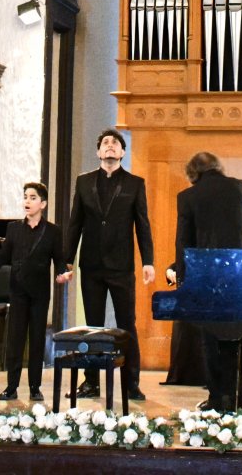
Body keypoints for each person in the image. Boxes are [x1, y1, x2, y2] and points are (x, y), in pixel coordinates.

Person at [66, 127, 154, 402]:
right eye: (105, 143)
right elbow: (74, 224)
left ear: (123, 152)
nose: (110, 147)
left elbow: (143, 226)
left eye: (116, 144)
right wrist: (68, 261)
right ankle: (90, 382)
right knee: (92, 325)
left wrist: (148, 261)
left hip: (121, 265)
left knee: (127, 324)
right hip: (91, 265)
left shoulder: (135, 183)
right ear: (98, 152)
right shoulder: (83, 182)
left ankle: (131, 384)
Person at [164, 152, 242, 411]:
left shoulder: (187, 197)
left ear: (192, 173)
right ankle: (235, 396)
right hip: (241, 272)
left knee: (211, 336)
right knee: (235, 333)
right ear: (218, 166)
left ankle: (218, 398)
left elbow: (183, 242)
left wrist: (182, 280)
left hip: (208, 274)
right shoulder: (240, 187)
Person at [0, 182, 72, 401]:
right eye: (25, 197)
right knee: (15, 340)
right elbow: (2, 257)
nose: (27, 201)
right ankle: (11, 386)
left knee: (36, 340)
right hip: (17, 291)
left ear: (43, 203)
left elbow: (60, 261)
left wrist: (63, 274)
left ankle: (35, 387)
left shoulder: (53, 231)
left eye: (33, 197)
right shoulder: (14, 229)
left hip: (40, 293)